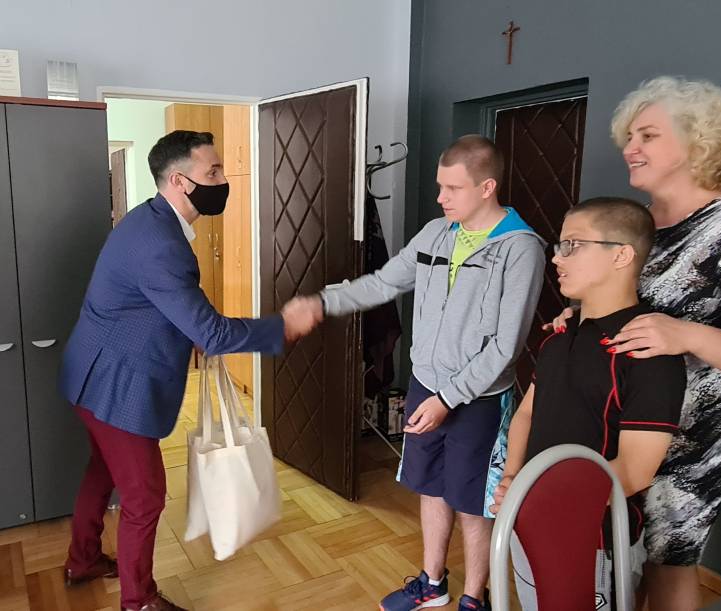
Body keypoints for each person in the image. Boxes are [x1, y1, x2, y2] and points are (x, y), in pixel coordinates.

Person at [551, 77, 721, 610]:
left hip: (686, 443)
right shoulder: (635, 226)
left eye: (648, 135)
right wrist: (577, 319)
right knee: (611, 562)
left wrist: (684, 333)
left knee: (666, 566)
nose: (630, 148)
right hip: (612, 425)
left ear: (697, 142)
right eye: (629, 137)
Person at [58, 130, 320, 611]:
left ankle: (83, 560)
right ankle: (138, 601)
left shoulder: (150, 219)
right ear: (179, 181)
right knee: (145, 497)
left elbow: (155, 306)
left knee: (102, 470)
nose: (223, 180)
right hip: (116, 387)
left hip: (91, 373)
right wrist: (282, 327)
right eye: (213, 172)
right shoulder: (160, 242)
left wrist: (190, 329)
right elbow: (213, 333)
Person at [288, 135, 546, 611]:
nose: (441, 197)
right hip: (426, 384)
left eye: (452, 188)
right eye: (439, 186)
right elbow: (383, 283)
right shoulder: (435, 233)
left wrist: (448, 399)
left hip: (479, 399)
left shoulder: (520, 249)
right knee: (430, 486)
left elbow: (505, 347)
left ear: (487, 187)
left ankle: (474, 597)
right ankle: (432, 582)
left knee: (472, 500)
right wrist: (322, 303)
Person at [491, 197, 686, 610]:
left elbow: (635, 470)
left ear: (621, 255)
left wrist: (539, 497)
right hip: (530, 518)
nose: (557, 258)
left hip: (593, 538)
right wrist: (512, 480)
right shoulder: (558, 338)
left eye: (573, 245)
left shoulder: (648, 353)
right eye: (559, 245)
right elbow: (527, 414)